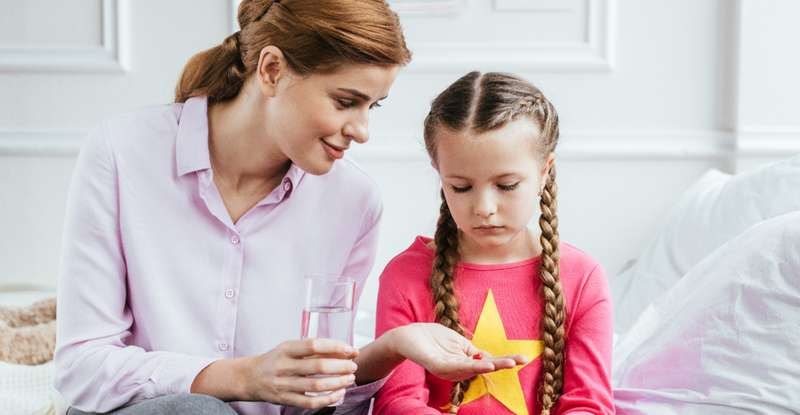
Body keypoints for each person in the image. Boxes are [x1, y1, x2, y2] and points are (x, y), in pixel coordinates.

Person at [54, 2, 523, 414]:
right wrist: (243, 377)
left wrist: (390, 348)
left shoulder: (354, 202)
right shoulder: (122, 151)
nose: (361, 131)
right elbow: (82, 367)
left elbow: (321, 399)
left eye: (372, 107)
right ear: (272, 70)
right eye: (346, 101)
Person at [372, 72, 615, 415]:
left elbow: (589, 404)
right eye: (461, 187)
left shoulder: (581, 276)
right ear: (438, 173)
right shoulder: (406, 275)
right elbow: (398, 403)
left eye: (507, 185)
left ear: (544, 172)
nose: (484, 208)